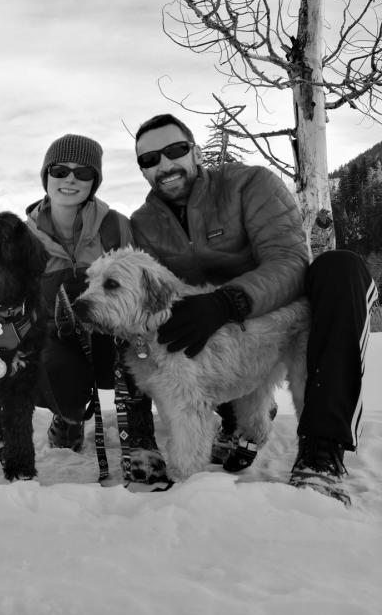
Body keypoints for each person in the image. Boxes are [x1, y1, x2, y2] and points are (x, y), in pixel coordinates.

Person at [130, 113, 378, 505]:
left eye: (174, 151)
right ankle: (240, 419)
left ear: (194, 151)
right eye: (149, 160)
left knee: (340, 269)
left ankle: (321, 455)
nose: (164, 165)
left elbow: (291, 261)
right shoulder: (142, 224)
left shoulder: (250, 184)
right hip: (219, 343)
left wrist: (229, 301)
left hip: (279, 313)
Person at [0, 133, 171, 488]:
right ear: (46, 177)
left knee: (141, 352)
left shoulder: (115, 226)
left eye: (83, 172)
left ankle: (140, 437)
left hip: (114, 334)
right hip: (58, 336)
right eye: (60, 170)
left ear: (95, 181)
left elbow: (148, 274)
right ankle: (70, 417)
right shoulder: (22, 234)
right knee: (41, 367)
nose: (70, 179)